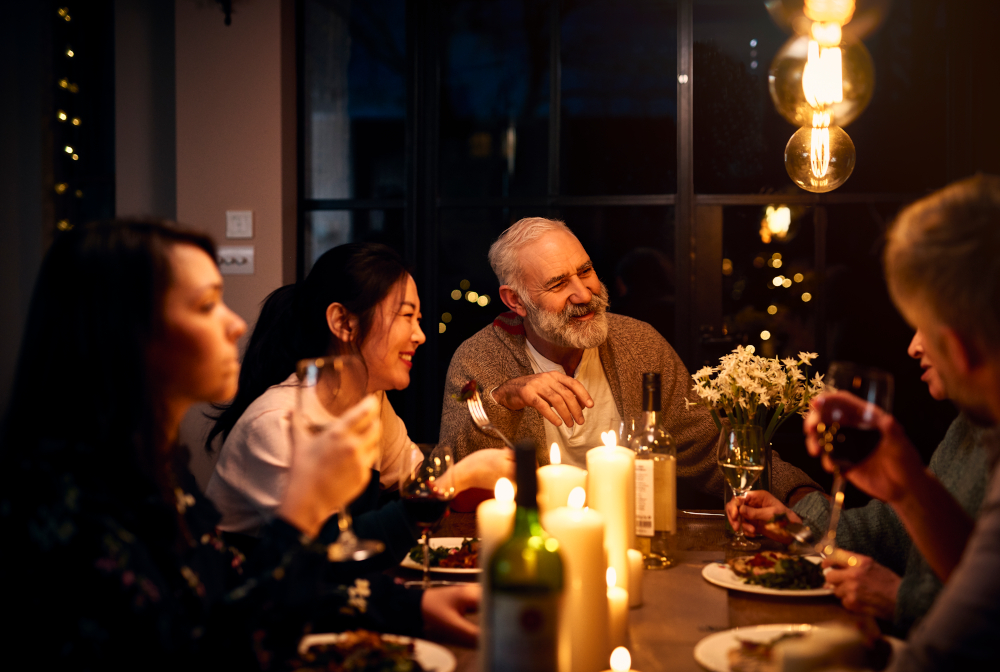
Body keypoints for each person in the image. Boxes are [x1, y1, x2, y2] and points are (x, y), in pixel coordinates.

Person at [0, 221, 477, 669]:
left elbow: (233, 587)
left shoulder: (159, 475)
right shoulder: (73, 516)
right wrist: (301, 512)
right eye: (207, 306)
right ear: (128, 333)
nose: (234, 324)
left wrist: (411, 604)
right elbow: (218, 650)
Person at [438, 217, 821, 507]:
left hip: (634, 542)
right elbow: (460, 478)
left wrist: (796, 494)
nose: (583, 292)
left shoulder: (639, 342)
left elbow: (706, 446)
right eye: (558, 284)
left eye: (585, 271)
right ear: (515, 301)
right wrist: (504, 397)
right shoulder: (477, 360)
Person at [801, 175, 1000, 669]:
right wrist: (909, 487)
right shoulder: (978, 429)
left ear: (957, 345)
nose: (912, 346)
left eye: (924, 327)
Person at [207, 242, 512, 559]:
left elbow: (418, 483)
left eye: (418, 319)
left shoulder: (370, 401)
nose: (420, 335)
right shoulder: (276, 421)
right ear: (343, 322)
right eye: (406, 316)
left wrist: (495, 475)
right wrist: (461, 476)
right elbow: (323, 554)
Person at [727, 329, 990, 635]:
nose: (913, 347)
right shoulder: (970, 425)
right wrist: (796, 526)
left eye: (927, 325)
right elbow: (896, 530)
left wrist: (898, 599)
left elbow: (988, 613)